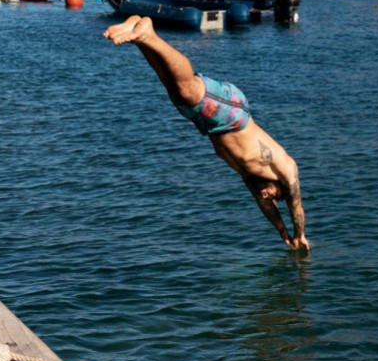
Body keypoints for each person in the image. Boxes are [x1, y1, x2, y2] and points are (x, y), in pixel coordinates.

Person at [103, 15, 309, 251]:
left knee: (173, 87)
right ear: (279, 188)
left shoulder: (252, 178)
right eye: (273, 196)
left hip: (210, 125)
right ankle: (148, 32)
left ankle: (141, 36)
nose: (266, 197)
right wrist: (299, 234)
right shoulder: (284, 166)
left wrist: (283, 234)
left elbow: (266, 208)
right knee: (187, 87)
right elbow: (296, 205)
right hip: (233, 115)